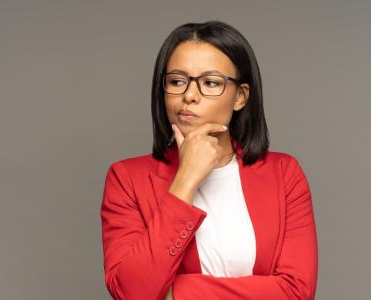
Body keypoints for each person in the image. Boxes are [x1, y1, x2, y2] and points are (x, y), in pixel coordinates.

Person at [100, 20, 318, 300]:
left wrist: (174, 294)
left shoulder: (284, 173)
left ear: (240, 96)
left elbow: (296, 292)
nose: (189, 95)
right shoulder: (127, 179)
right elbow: (131, 292)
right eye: (177, 81)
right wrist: (186, 180)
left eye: (210, 83)